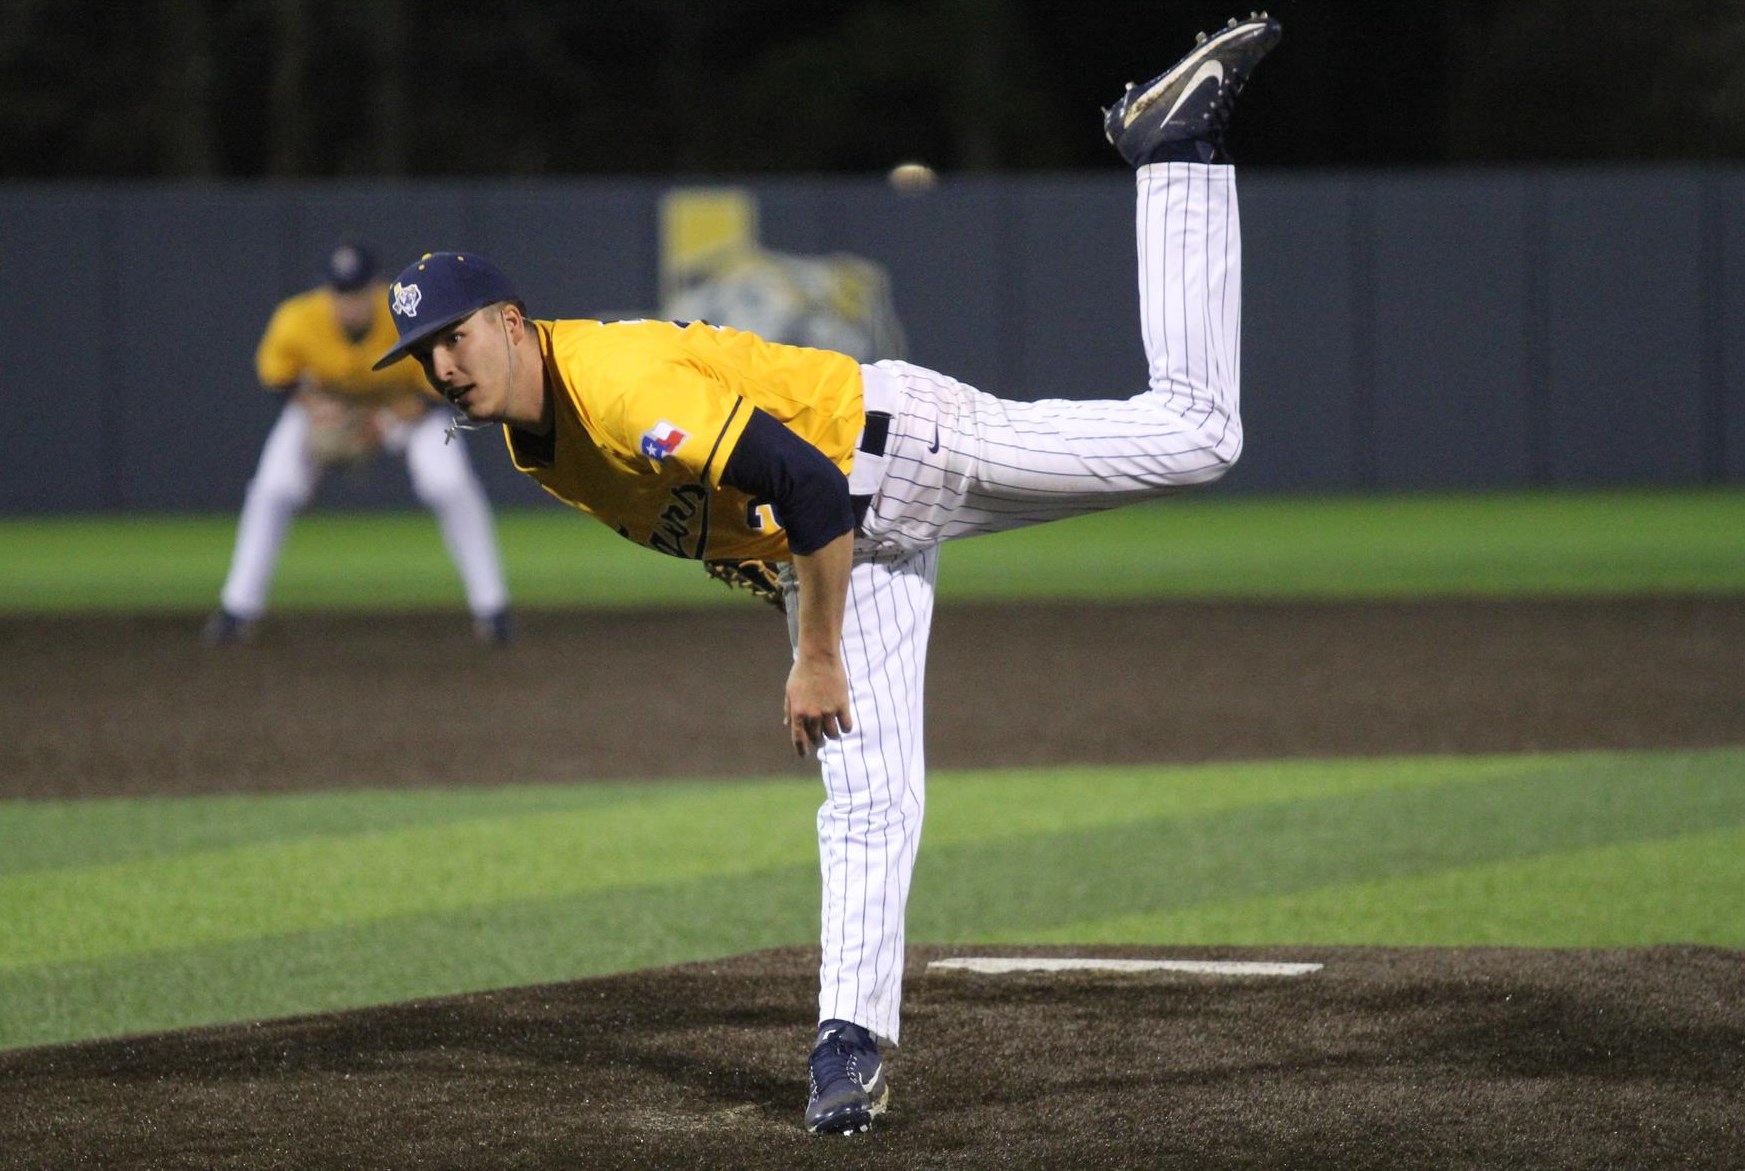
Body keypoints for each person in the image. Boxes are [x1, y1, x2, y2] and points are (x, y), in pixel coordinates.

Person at [373, 13, 1280, 1135]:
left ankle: (1172, 151)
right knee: (867, 796)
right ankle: (844, 1048)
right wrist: (797, 601)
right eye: (423, 353)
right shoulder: (533, 438)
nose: (441, 364)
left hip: (893, 453)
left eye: (455, 336)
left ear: (510, 322)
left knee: (1198, 434)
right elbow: (748, 516)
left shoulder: (614, 389)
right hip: (843, 539)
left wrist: (813, 654)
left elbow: (804, 481)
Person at [205, 241, 513, 646]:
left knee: (449, 482)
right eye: (340, 293)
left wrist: (384, 423)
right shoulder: (297, 318)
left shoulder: (406, 314)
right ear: (326, 291)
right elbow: (279, 378)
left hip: (401, 409)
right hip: (330, 406)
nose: (348, 302)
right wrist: (316, 406)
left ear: (376, 288)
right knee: (274, 486)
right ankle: (237, 608)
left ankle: (493, 608)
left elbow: (437, 390)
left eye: (357, 292)